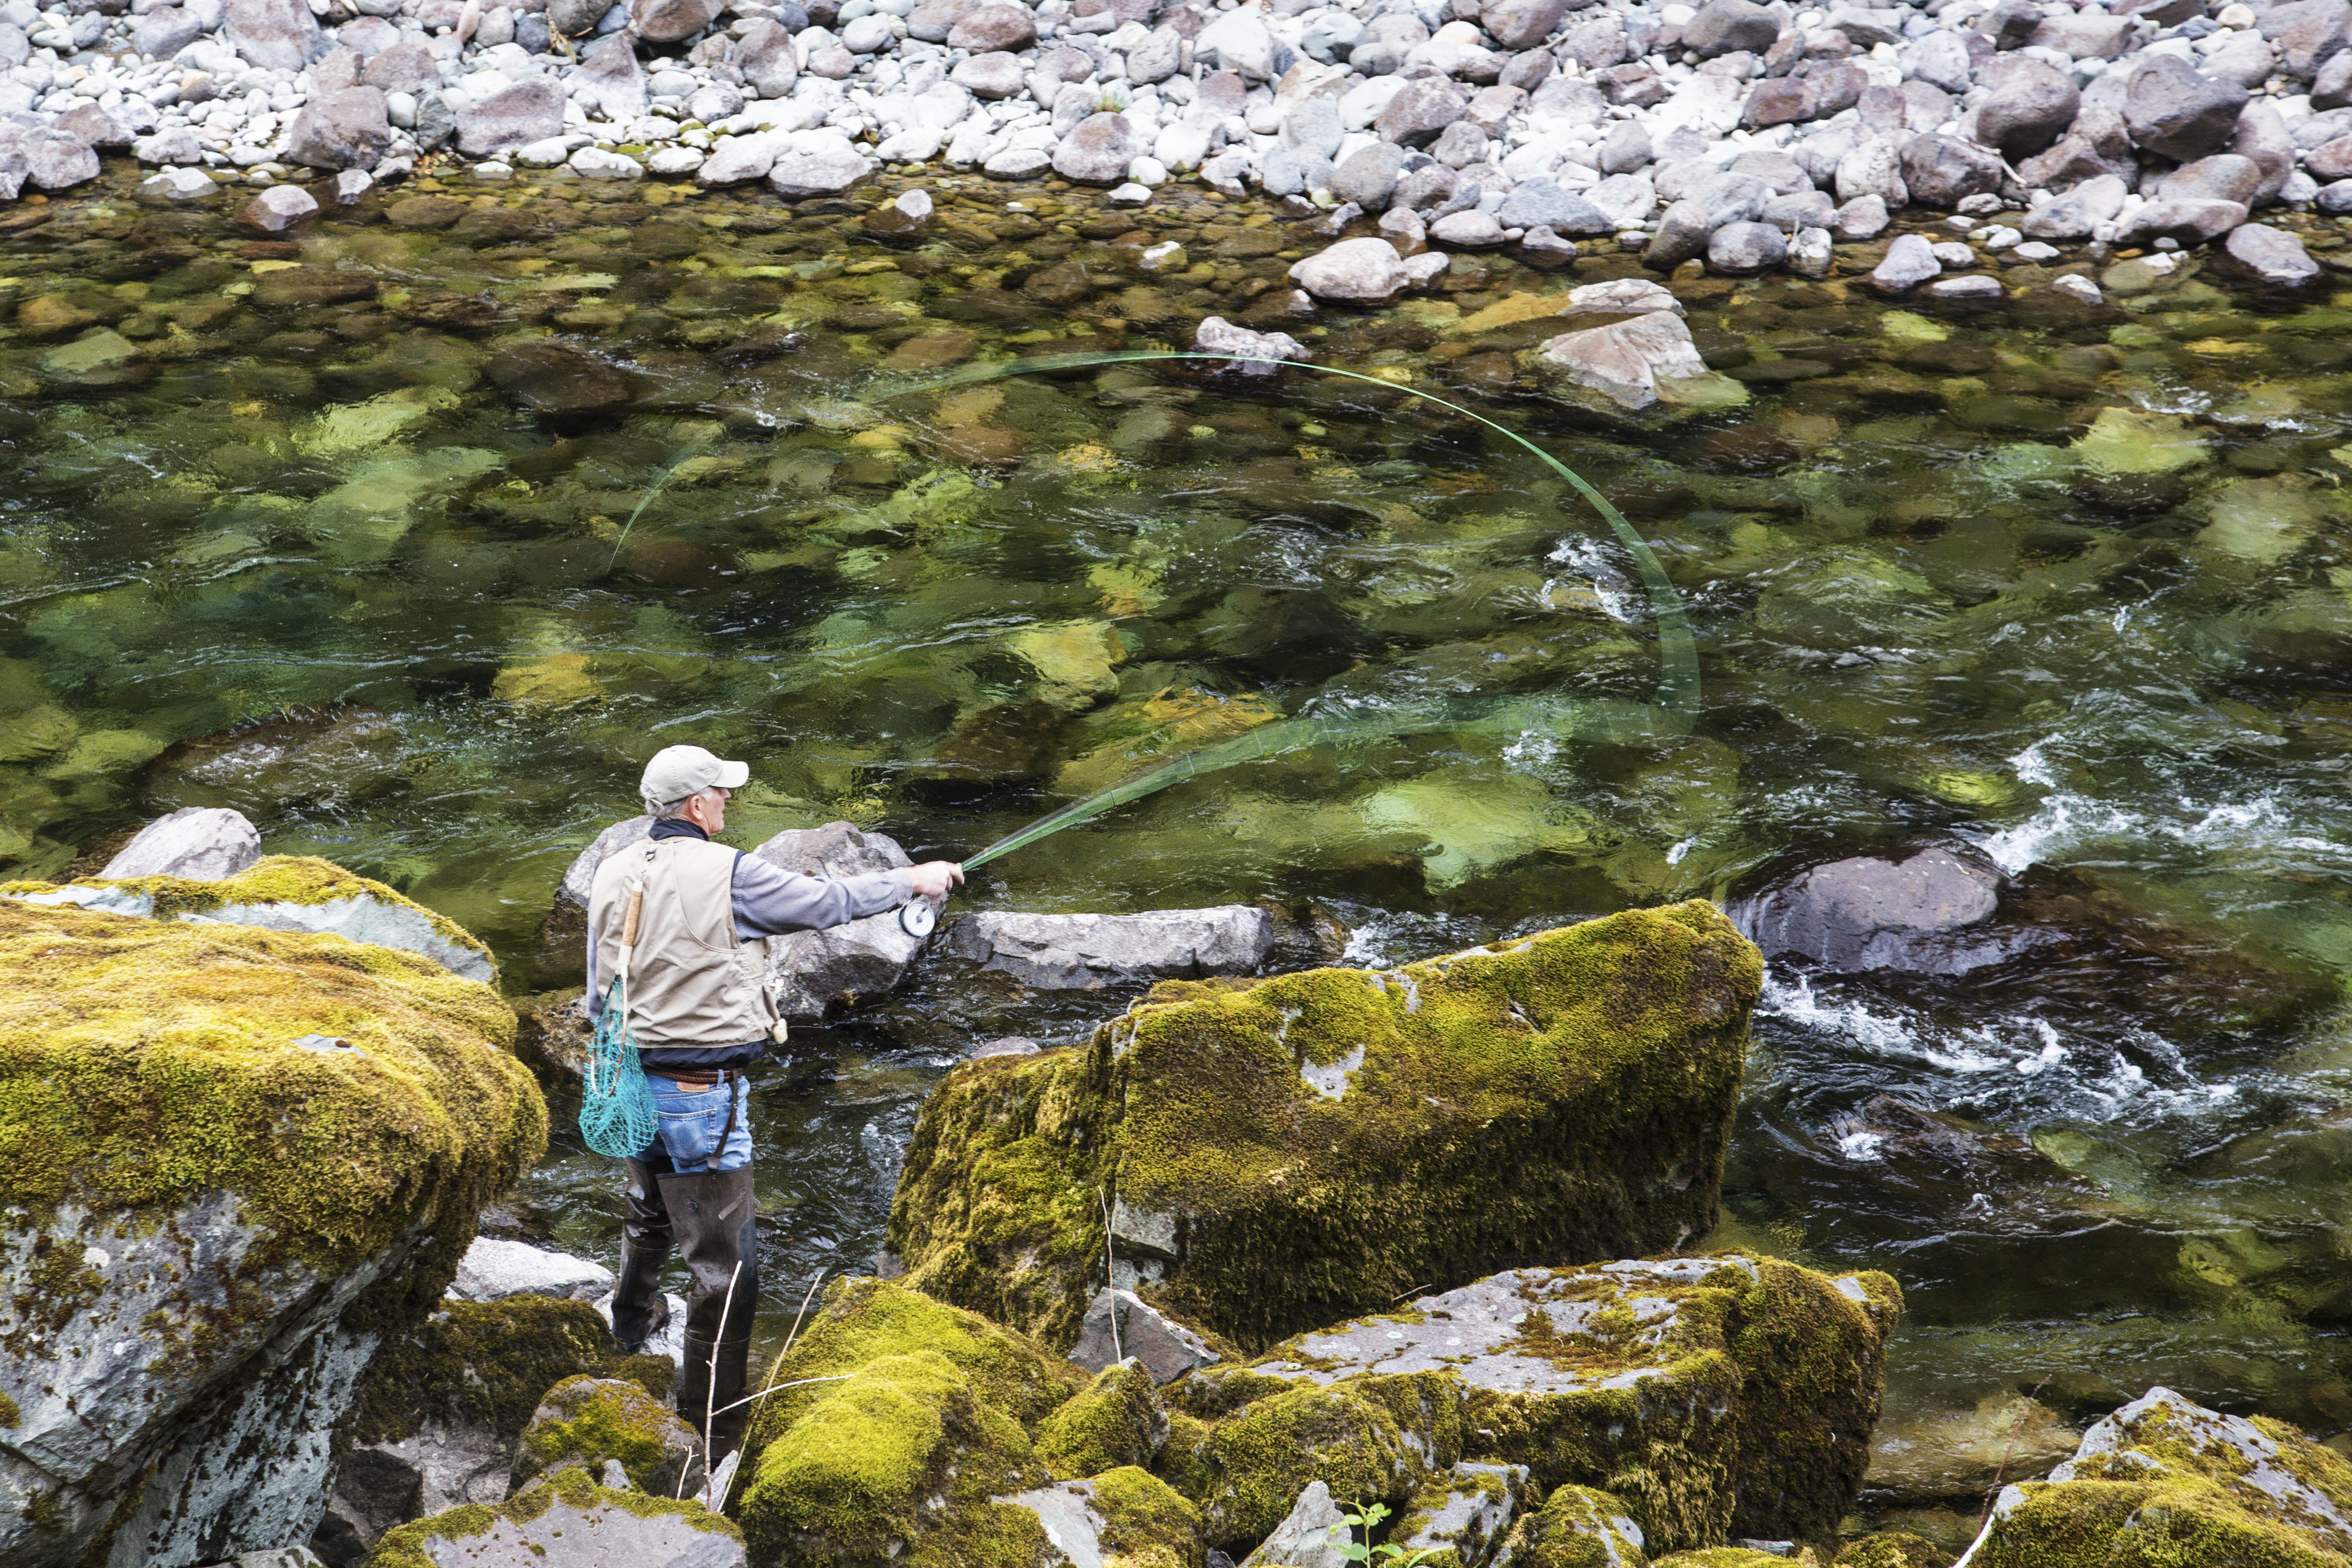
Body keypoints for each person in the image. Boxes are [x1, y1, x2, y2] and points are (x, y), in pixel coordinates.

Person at [585, 743, 963, 1456]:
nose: (728, 801)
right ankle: (716, 1435)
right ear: (696, 806)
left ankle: (629, 1327)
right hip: (702, 1093)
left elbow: (598, 979)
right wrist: (913, 881)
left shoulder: (613, 869)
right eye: (721, 793)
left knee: (649, 1209)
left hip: (628, 1079)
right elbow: (825, 905)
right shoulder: (727, 873)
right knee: (727, 1273)